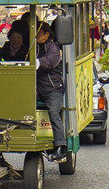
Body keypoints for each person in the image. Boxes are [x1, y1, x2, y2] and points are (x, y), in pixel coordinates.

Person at [35, 21, 69, 163]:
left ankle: (61, 146)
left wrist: (37, 62)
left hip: (52, 88)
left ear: (47, 34)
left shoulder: (53, 47)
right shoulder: (33, 46)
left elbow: (50, 61)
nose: (36, 35)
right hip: (36, 88)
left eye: (39, 32)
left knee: (54, 113)